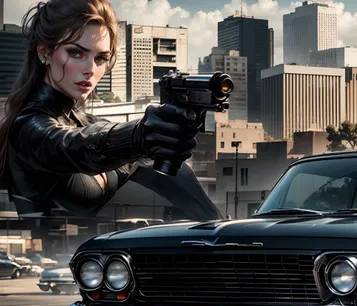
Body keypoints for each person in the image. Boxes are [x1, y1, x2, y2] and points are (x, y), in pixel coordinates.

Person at [0, 0, 220, 221]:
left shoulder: (87, 123)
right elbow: (75, 146)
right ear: (45, 53)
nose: (90, 69)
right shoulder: (28, 128)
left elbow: (158, 167)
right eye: (76, 53)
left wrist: (221, 228)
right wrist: (139, 137)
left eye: (101, 58)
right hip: (45, 251)